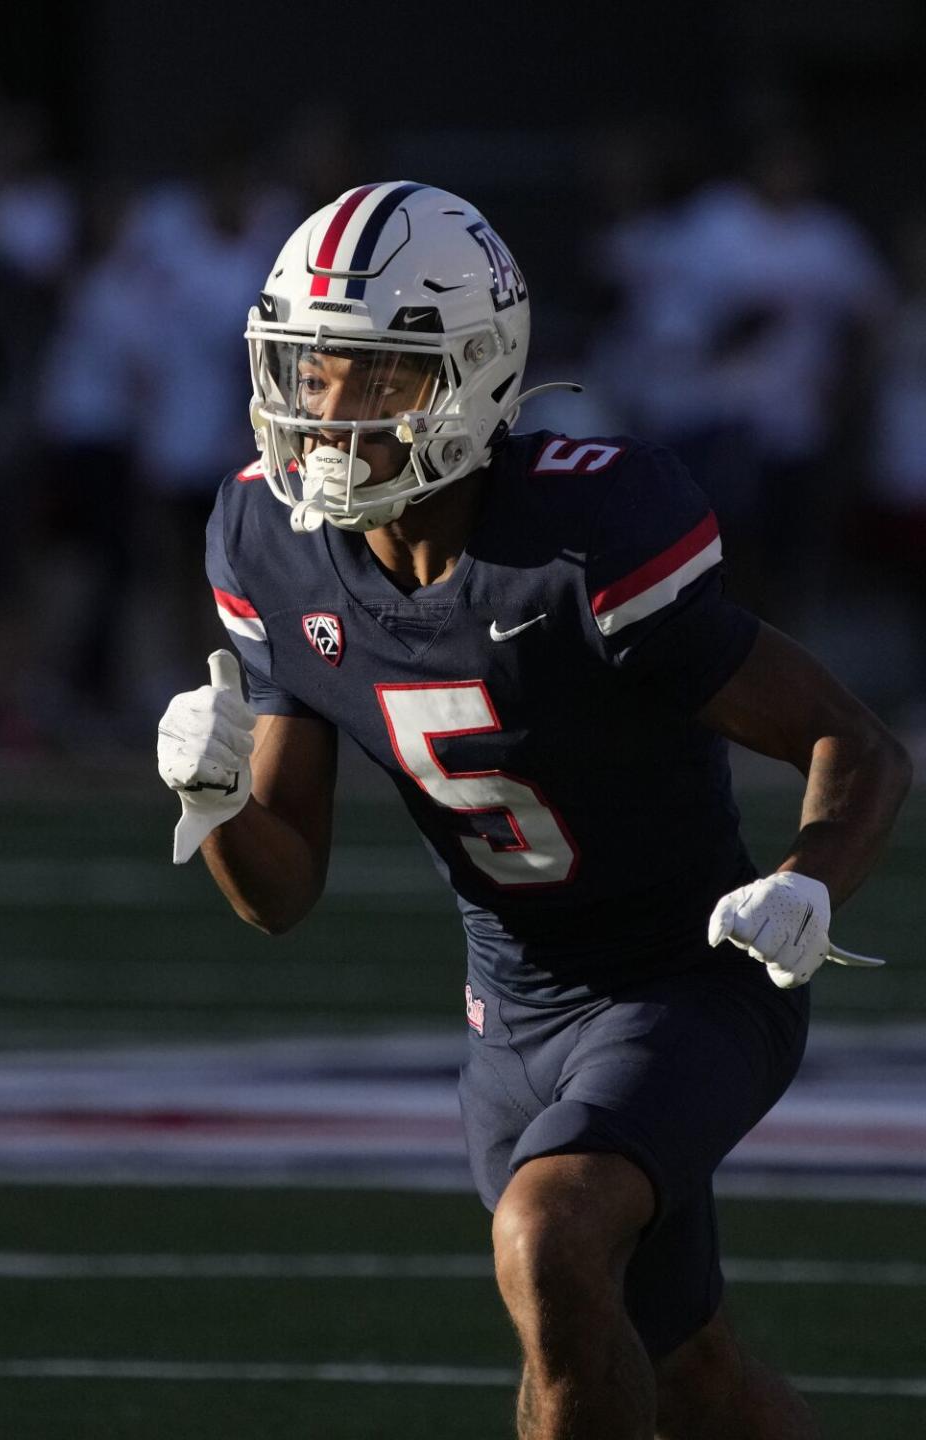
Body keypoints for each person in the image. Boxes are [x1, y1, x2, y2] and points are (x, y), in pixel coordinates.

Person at [157, 182, 912, 1439]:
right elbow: (280, 895)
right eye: (308, 369)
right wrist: (216, 795)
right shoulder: (268, 539)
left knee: (549, 1235)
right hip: (508, 1017)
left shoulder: (580, 538)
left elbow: (856, 740)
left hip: (688, 980)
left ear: (469, 376)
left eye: (374, 379)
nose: (325, 414)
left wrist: (813, 878)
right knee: (688, 1376)